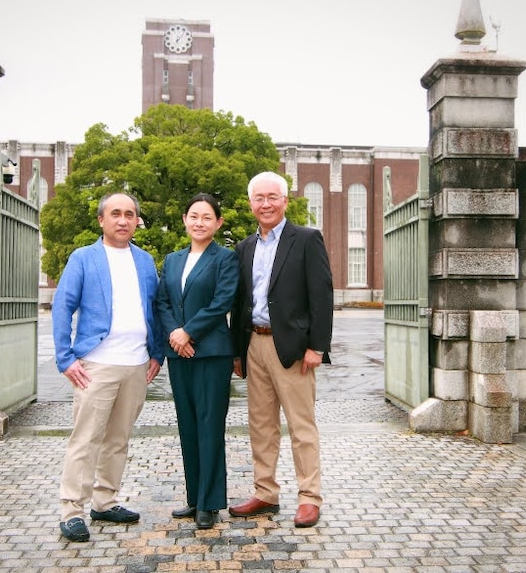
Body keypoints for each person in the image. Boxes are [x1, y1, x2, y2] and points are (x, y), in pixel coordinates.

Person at [52, 193, 162, 543]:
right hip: (96, 364)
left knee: (118, 439)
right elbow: (62, 307)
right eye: (116, 213)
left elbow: (155, 309)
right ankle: (72, 510)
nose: (123, 220)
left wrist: (157, 353)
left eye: (130, 214)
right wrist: (65, 358)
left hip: (136, 364)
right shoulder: (84, 258)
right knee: (85, 438)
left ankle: (105, 500)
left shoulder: (145, 261)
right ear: (102, 220)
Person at [229, 171, 334, 528]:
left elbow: (322, 296)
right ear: (251, 203)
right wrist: (237, 353)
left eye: (272, 197)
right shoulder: (244, 247)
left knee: (301, 425)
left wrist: (317, 347)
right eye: (259, 198)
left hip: (292, 347)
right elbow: (241, 300)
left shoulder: (305, 239)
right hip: (254, 344)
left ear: (285, 201)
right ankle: (265, 492)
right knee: (260, 425)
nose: (266, 204)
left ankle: (309, 497)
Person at [155, 193, 238, 530]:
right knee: (188, 425)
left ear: (217, 223)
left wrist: (188, 332)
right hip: (180, 354)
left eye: (207, 217)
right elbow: (162, 302)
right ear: (184, 220)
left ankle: (211, 502)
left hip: (212, 354)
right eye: (194, 216)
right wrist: (176, 334)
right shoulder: (173, 260)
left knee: (209, 425)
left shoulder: (225, 259)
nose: (199, 222)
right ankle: (194, 498)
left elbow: (222, 302)